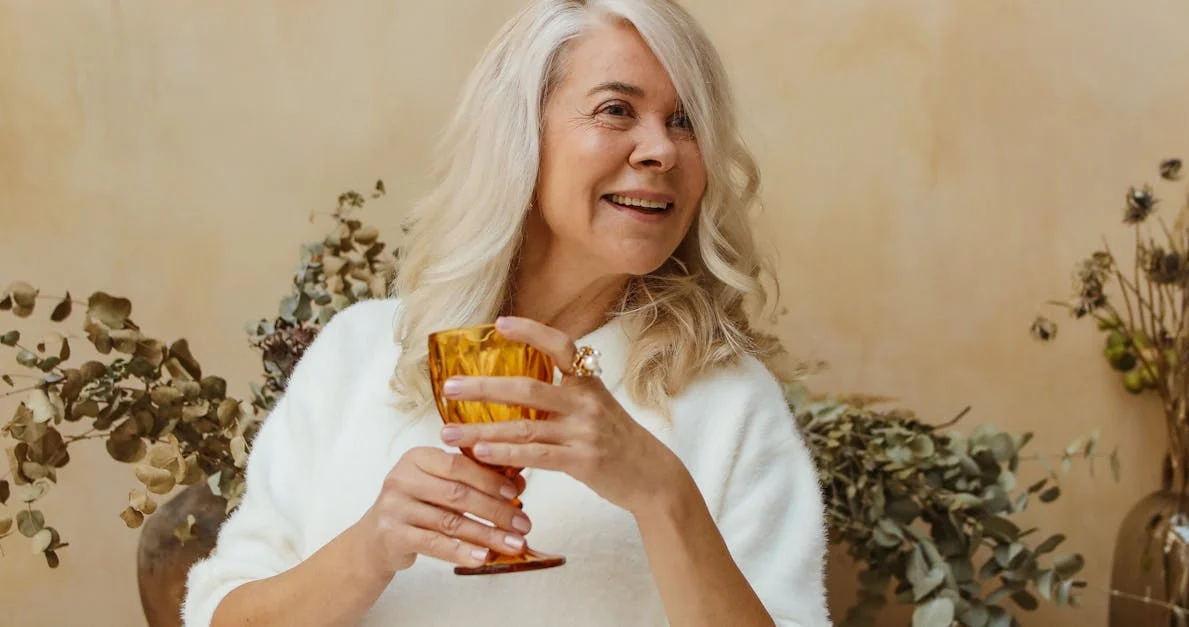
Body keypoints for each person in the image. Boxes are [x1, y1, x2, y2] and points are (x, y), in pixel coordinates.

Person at [182, 0, 830, 625]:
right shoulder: (356, 353)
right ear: (521, 134)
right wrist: (368, 550)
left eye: (685, 121)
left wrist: (662, 494)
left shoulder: (730, 402)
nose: (662, 149)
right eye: (616, 109)